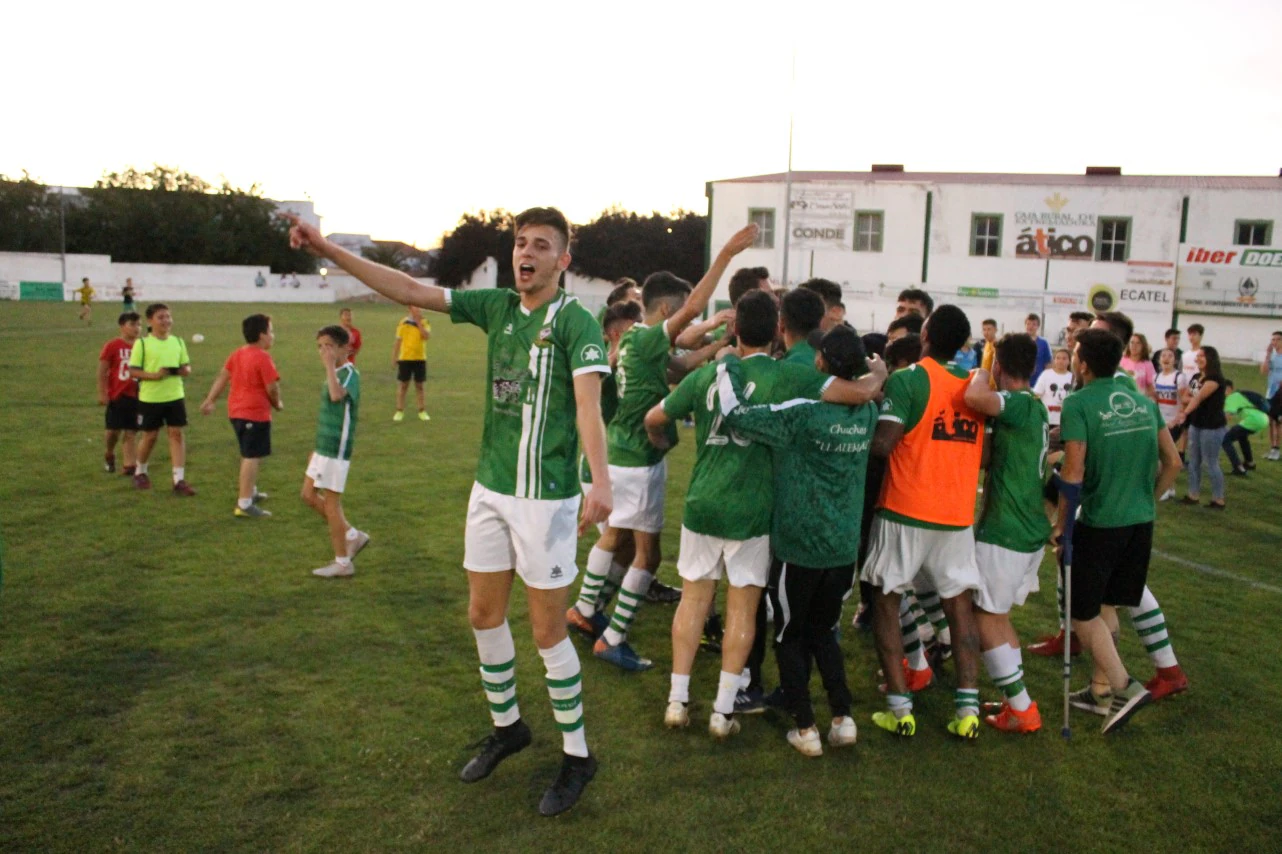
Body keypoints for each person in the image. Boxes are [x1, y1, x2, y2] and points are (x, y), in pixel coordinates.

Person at [288, 206, 611, 817]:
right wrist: (329, 250)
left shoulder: (577, 322)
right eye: (520, 242)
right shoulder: (494, 308)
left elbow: (589, 406)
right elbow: (408, 288)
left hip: (545, 498)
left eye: (542, 246)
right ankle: (509, 727)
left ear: (563, 261)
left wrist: (601, 480)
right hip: (489, 488)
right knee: (483, 615)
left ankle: (577, 756)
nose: (527, 253)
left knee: (546, 631)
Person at [646, 290, 884, 741]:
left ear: (734, 330)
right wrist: (877, 376)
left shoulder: (712, 373)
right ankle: (721, 710)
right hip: (754, 508)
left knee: (694, 599)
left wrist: (663, 443)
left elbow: (655, 417)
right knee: (743, 607)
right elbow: (854, 392)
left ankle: (676, 701)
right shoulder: (790, 376)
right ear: (776, 329)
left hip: (703, 500)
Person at [579, 225, 758, 670]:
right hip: (637, 457)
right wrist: (726, 255)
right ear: (664, 309)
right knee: (646, 552)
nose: (686, 320)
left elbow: (679, 365)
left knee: (619, 541)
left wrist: (719, 341)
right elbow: (694, 308)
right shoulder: (645, 336)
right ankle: (608, 633)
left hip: (621, 453)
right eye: (678, 315)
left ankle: (586, 612)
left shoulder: (638, 343)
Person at [716, 325, 879, 755]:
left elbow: (738, 417)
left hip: (799, 546)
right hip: (843, 547)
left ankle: (805, 727)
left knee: (789, 635)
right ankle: (843, 719)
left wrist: (726, 369)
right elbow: (865, 392)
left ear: (822, 363)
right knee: (824, 631)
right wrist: (876, 377)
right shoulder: (867, 414)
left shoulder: (802, 413)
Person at [862, 304, 986, 739]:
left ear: (927, 334)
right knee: (959, 607)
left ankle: (900, 710)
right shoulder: (972, 386)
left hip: (905, 507)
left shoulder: (909, 378)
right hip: (954, 514)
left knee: (884, 600)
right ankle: (968, 710)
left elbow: (884, 444)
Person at [1057, 328, 1182, 733]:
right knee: (1108, 606)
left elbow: (1073, 472)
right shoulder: (1144, 404)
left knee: (1082, 615)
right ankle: (1099, 691)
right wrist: (1149, 499)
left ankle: (1126, 686)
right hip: (1139, 521)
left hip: (1100, 522)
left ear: (1084, 363)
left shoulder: (1078, 403)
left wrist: (1061, 526)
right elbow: (1174, 462)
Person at [963, 334, 1050, 734]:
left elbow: (976, 398)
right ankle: (1014, 700)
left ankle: (1022, 708)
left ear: (1001, 367)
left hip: (1007, 532)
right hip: (1027, 528)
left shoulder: (1017, 403)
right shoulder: (1032, 408)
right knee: (998, 616)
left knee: (986, 618)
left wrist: (981, 370)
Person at [199, 314, 283, 518]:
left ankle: (250, 492)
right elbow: (272, 388)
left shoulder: (238, 353)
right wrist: (277, 404)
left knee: (251, 452)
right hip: (253, 414)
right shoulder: (263, 357)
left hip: (236, 412)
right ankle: (244, 504)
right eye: (271, 331)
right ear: (262, 335)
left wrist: (210, 399)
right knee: (251, 456)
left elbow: (223, 377)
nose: (273, 335)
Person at [302, 325, 368, 576]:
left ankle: (343, 563)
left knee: (331, 503)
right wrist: (316, 450)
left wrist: (330, 367)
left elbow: (335, 395)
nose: (323, 351)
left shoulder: (350, 373)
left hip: (336, 449)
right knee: (308, 495)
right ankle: (352, 534)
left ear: (345, 348)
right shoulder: (335, 371)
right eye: (320, 346)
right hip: (323, 446)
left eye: (329, 346)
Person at [128, 303, 195, 496]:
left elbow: (187, 367)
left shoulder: (178, 342)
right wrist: (154, 375)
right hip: (151, 398)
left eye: (168, 317)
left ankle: (179, 479)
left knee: (176, 434)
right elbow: (133, 370)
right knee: (150, 436)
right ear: (150, 321)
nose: (166, 321)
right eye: (161, 317)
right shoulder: (142, 344)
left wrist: (181, 371)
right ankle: (140, 471)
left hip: (175, 396)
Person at [1176, 345, 1228, 509]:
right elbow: (1185, 397)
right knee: (1194, 461)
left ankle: (1218, 499)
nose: (1197, 359)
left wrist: (1185, 413)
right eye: (1197, 356)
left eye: (1201, 357)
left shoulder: (1214, 379)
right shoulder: (1197, 377)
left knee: (1211, 463)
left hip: (1212, 427)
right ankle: (1193, 495)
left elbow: (1197, 399)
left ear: (1210, 359)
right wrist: (1190, 400)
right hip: (1196, 424)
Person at [98, 312, 142, 475]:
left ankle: (129, 466)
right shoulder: (113, 345)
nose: (137, 328)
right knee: (113, 432)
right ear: (122, 326)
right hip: (118, 395)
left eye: (139, 325)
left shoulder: (143, 346)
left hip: (137, 395)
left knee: (131, 431)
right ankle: (109, 452)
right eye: (132, 324)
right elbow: (102, 370)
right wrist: (102, 393)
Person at [1153, 348, 1189, 500]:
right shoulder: (1156, 377)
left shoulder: (1179, 377)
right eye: (1163, 356)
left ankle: (1166, 488)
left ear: (1175, 360)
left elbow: (1184, 399)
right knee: (1159, 455)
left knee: (1165, 456)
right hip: (1161, 422)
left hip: (1174, 422)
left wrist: (1177, 419)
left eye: (1170, 356)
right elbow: (1155, 400)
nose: (1166, 358)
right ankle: (1170, 487)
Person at [1221, 380, 1268, 476]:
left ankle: (1239, 468)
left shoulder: (1231, 398)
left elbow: (1227, 417)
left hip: (1254, 419)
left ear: (1229, 389)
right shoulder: (1239, 395)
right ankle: (1249, 463)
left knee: (1226, 440)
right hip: (1263, 418)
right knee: (1242, 436)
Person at [392, 306, 431, 421]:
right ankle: (399, 410)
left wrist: (418, 322)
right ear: (410, 310)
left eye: (419, 308)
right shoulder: (403, 323)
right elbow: (398, 341)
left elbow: (426, 336)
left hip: (420, 358)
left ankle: (422, 410)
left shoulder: (425, 322)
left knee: (420, 386)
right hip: (405, 358)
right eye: (415, 309)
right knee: (403, 385)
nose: (418, 310)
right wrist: (394, 357)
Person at [1032, 348, 1072, 431]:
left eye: (1064, 358)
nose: (1060, 361)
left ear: (1069, 361)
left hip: (1065, 421)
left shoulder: (1072, 377)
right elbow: (1036, 395)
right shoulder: (1046, 374)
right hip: (1047, 420)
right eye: (1058, 358)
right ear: (1054, 360)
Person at [1261, 331, 1282, 460]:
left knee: (1278, 421)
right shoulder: (1272, 356)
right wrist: (1267, 354)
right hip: (1271, 391)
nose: (1274, 342)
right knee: (1270, 421)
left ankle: (1276, 449)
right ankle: (1272, 448)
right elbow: (1263, 371)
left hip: (1280, 393)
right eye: (1272, 340)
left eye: (1277, 340)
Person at [1120, 334, 1157, 400]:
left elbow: (1151, 386)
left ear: (1143, 346)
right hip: (1122, 398)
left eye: (1138, 343)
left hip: (1139, 400)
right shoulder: (1122, 360)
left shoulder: (1147, 364)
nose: (1134, 346)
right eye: (1132, 342)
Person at [1025, 313, 1052, 385]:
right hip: (1022, 382)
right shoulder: (1019, 341)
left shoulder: (1043, 343)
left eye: (1034, 324)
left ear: (1038, 326)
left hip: (1038, 382)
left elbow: (1048, 364)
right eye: (1028, 324)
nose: (1030, 326)